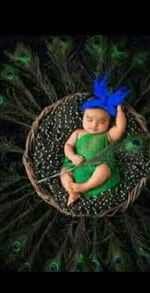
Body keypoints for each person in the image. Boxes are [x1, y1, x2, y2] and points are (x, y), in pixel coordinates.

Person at [60, 74, 130, 206]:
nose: (94, 125)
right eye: (89, 120)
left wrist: (120, 111)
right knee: (64, 172)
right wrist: (72, 156)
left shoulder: (107, 135)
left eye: (102, 122)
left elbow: (120, 129)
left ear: (109, 123)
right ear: (83, 117)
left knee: (104, 169)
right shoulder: (78, 133)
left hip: (96, 169)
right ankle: (72, 191)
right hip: (76, 167)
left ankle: (84, 187)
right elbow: (68, 145)